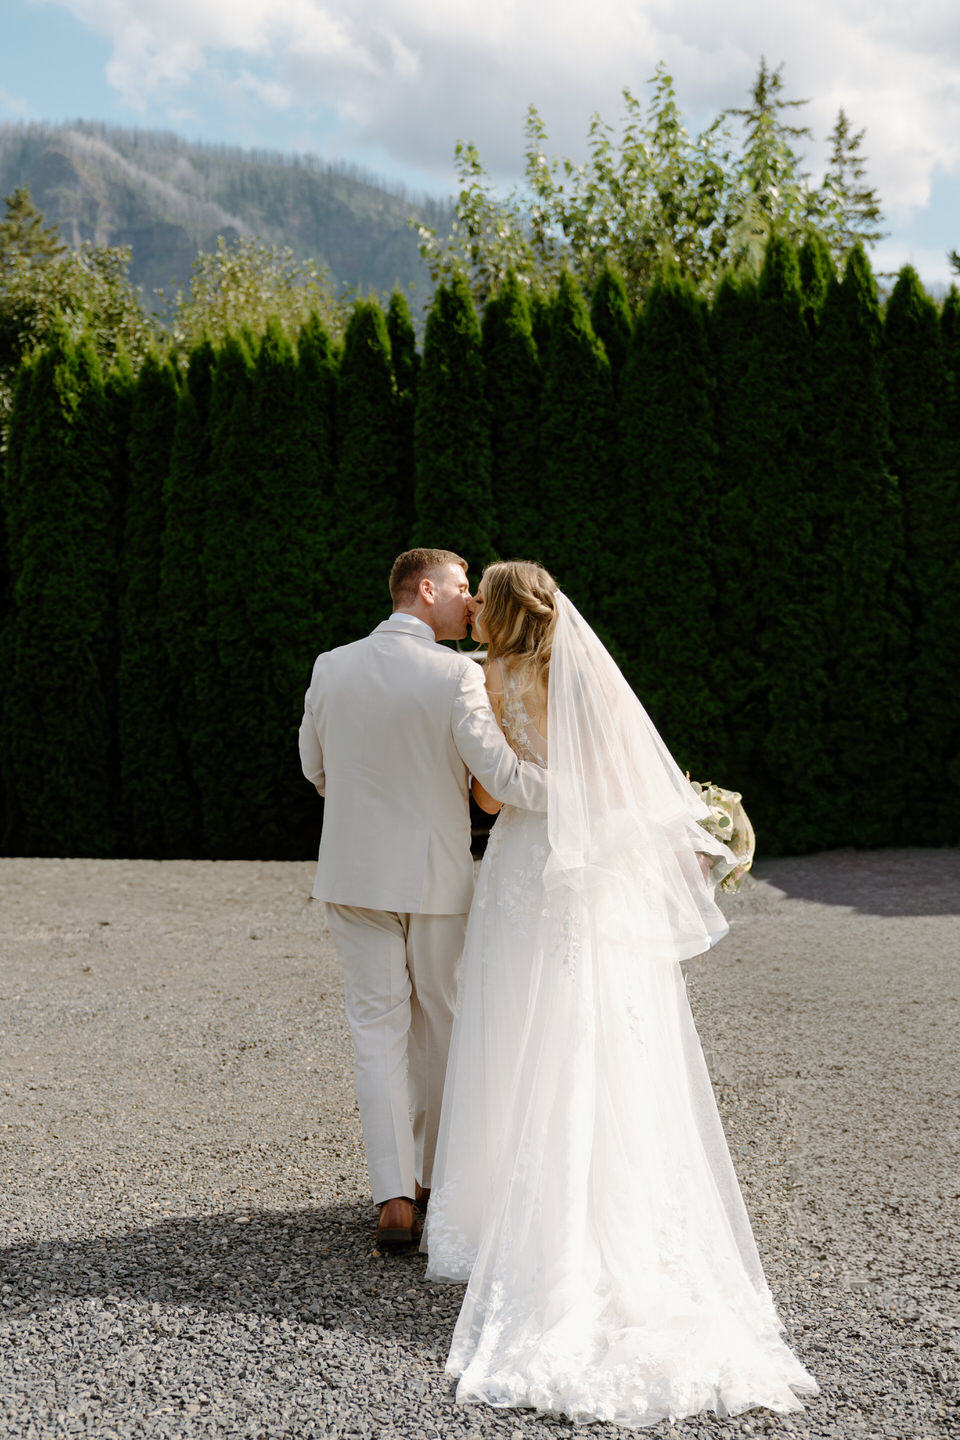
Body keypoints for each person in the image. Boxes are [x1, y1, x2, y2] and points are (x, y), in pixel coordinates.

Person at [423, 560, 819, 1427]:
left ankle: (501, 1207)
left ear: (495, 613)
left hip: (527, 863)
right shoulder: (577, 674)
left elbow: (492, 791)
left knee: (511, 1023)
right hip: (587, 873)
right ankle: (615, 1192)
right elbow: (624, 780)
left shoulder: (483, 679)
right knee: (598, 1023)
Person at [298, 548, 548, 1249]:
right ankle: (439, 1183)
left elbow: (314, 767)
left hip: (350, 876)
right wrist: (592, 795)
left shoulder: (330, 665)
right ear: (427, 588)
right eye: (464, 588)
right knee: (441, 1026)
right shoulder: (456, 676)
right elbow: (502, 778)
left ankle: (394, 1197)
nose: (471, 603)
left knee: (374, 1034)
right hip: (437, 879)